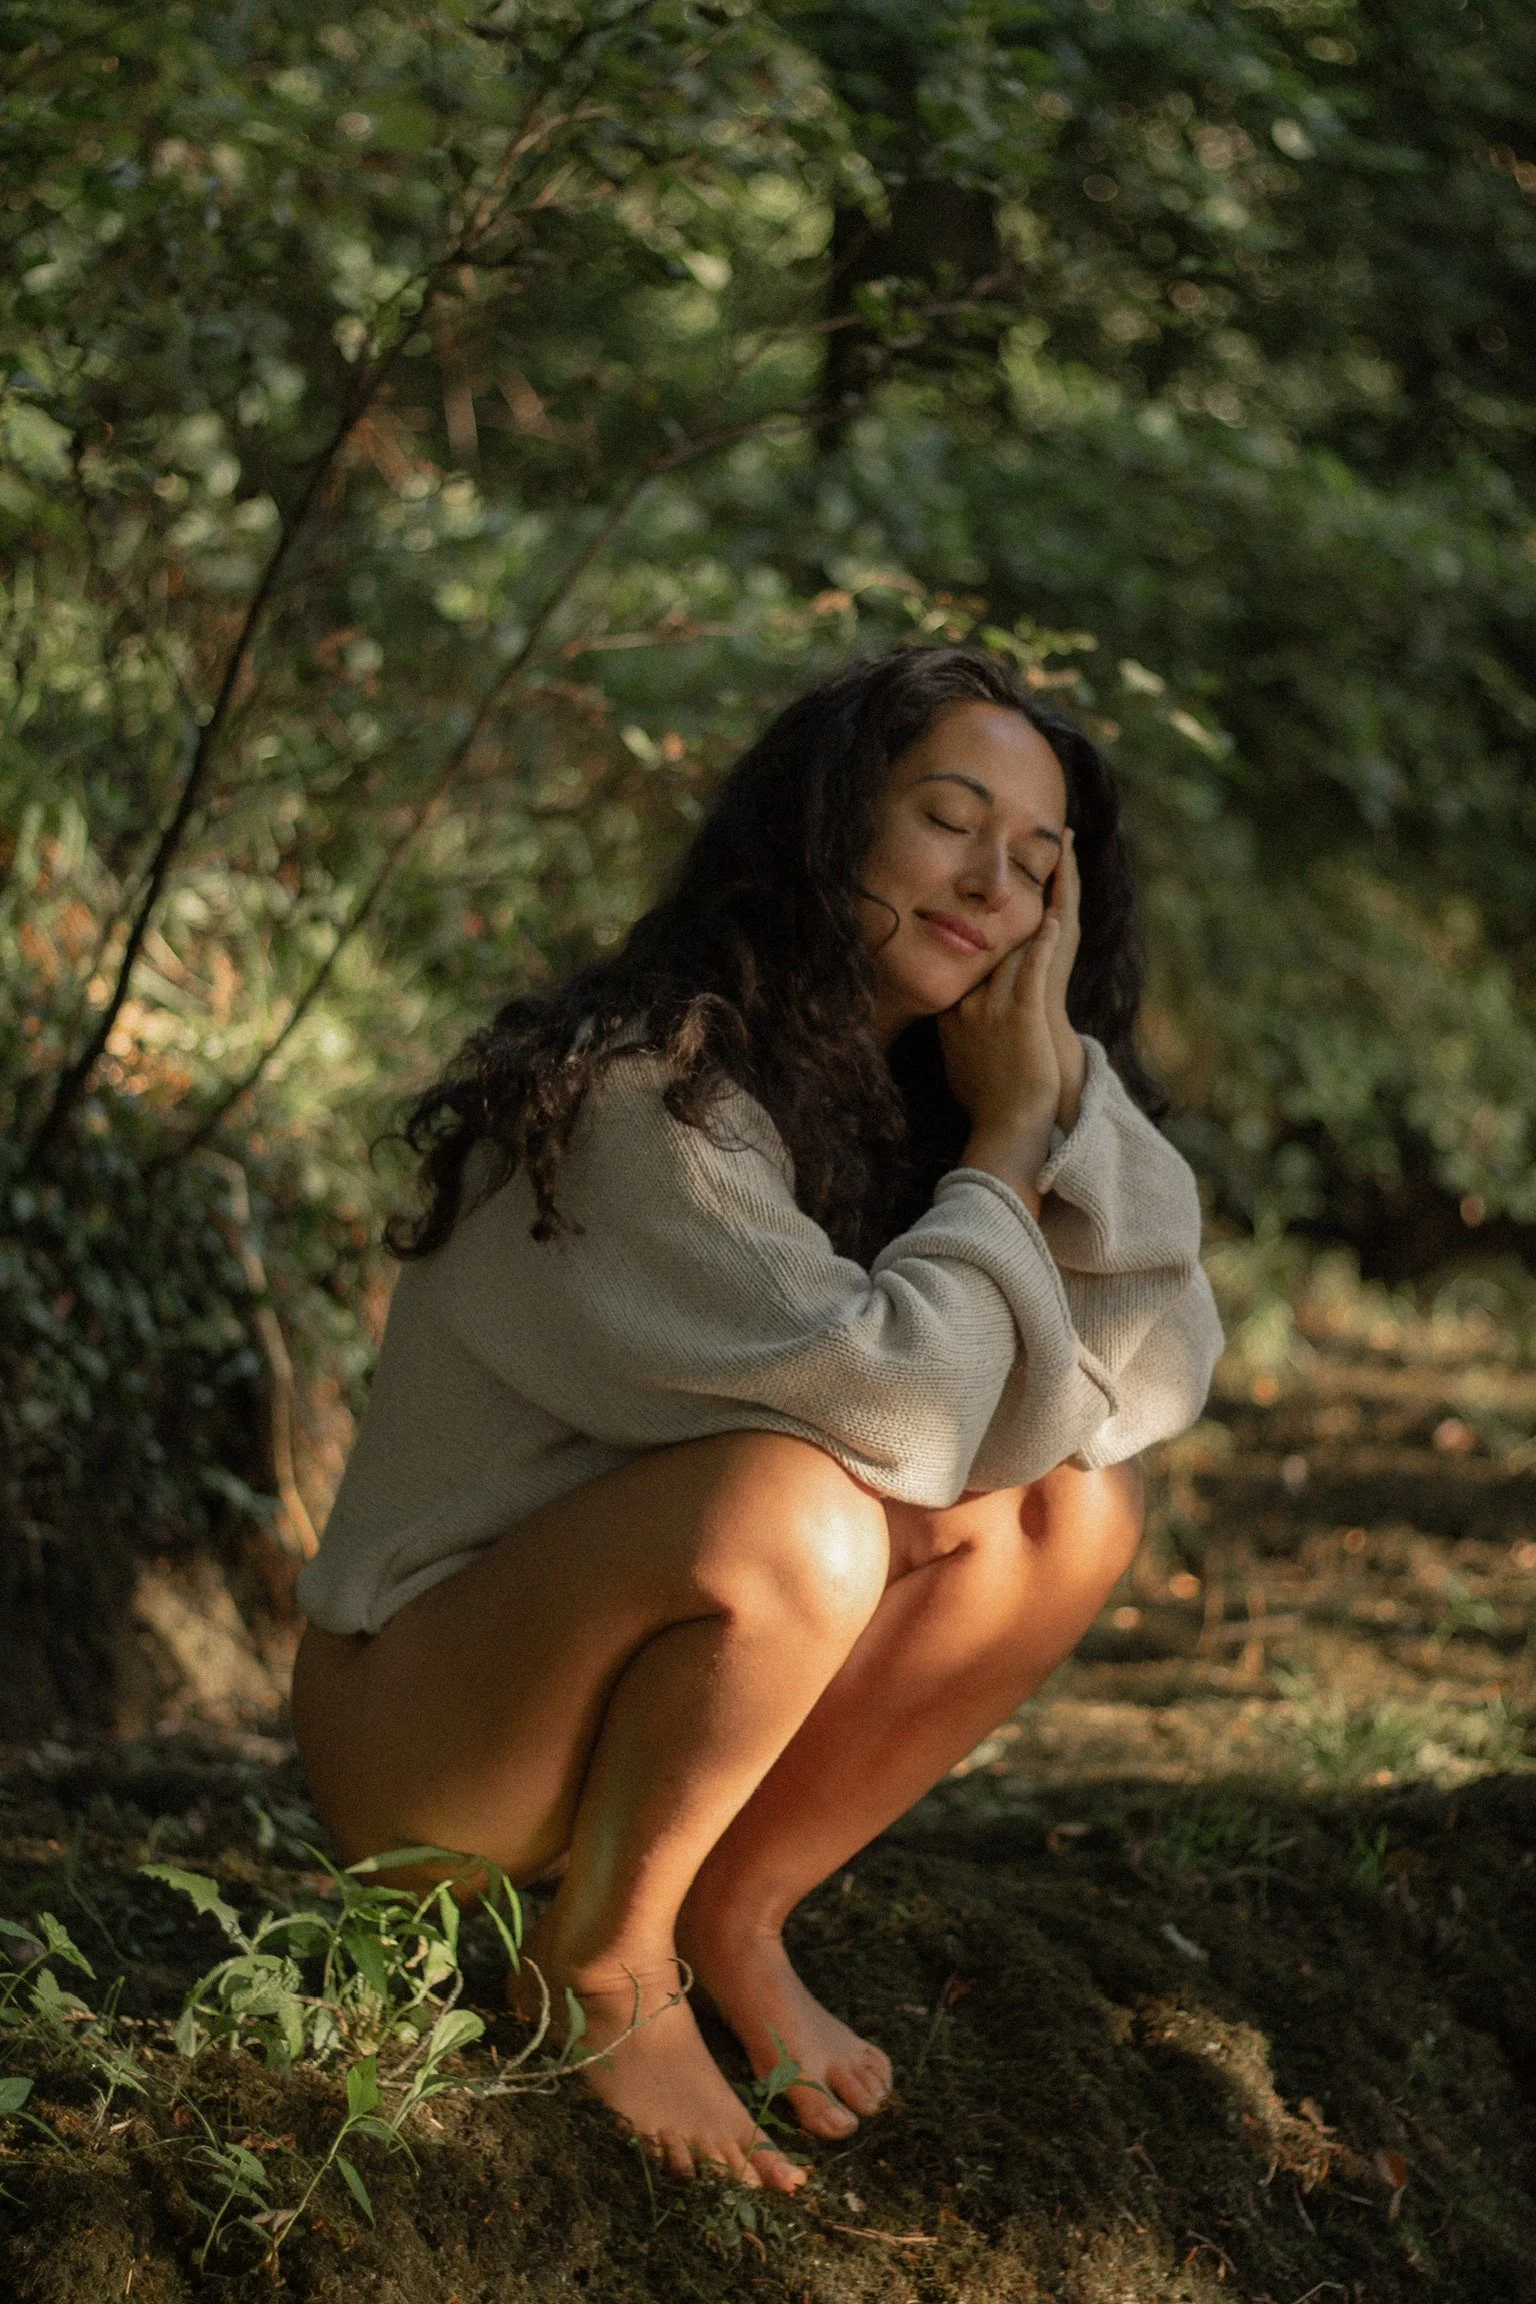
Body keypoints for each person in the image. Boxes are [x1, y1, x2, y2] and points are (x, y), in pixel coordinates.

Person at [290, 643, 1222, 2194]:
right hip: (435, 1740)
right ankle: (603, 1966)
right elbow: (907, 1412)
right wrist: (1006, 1145)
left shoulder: (901, 1091)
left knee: (1073, 1512)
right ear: (829, 823)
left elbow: (1162, 1358)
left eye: (1040, 865)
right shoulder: (645, 1097)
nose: (993, 880)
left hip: (619, 1690)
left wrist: (1057, 1079)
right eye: (949, 819)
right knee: (795, 1514)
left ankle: (732, 1905)